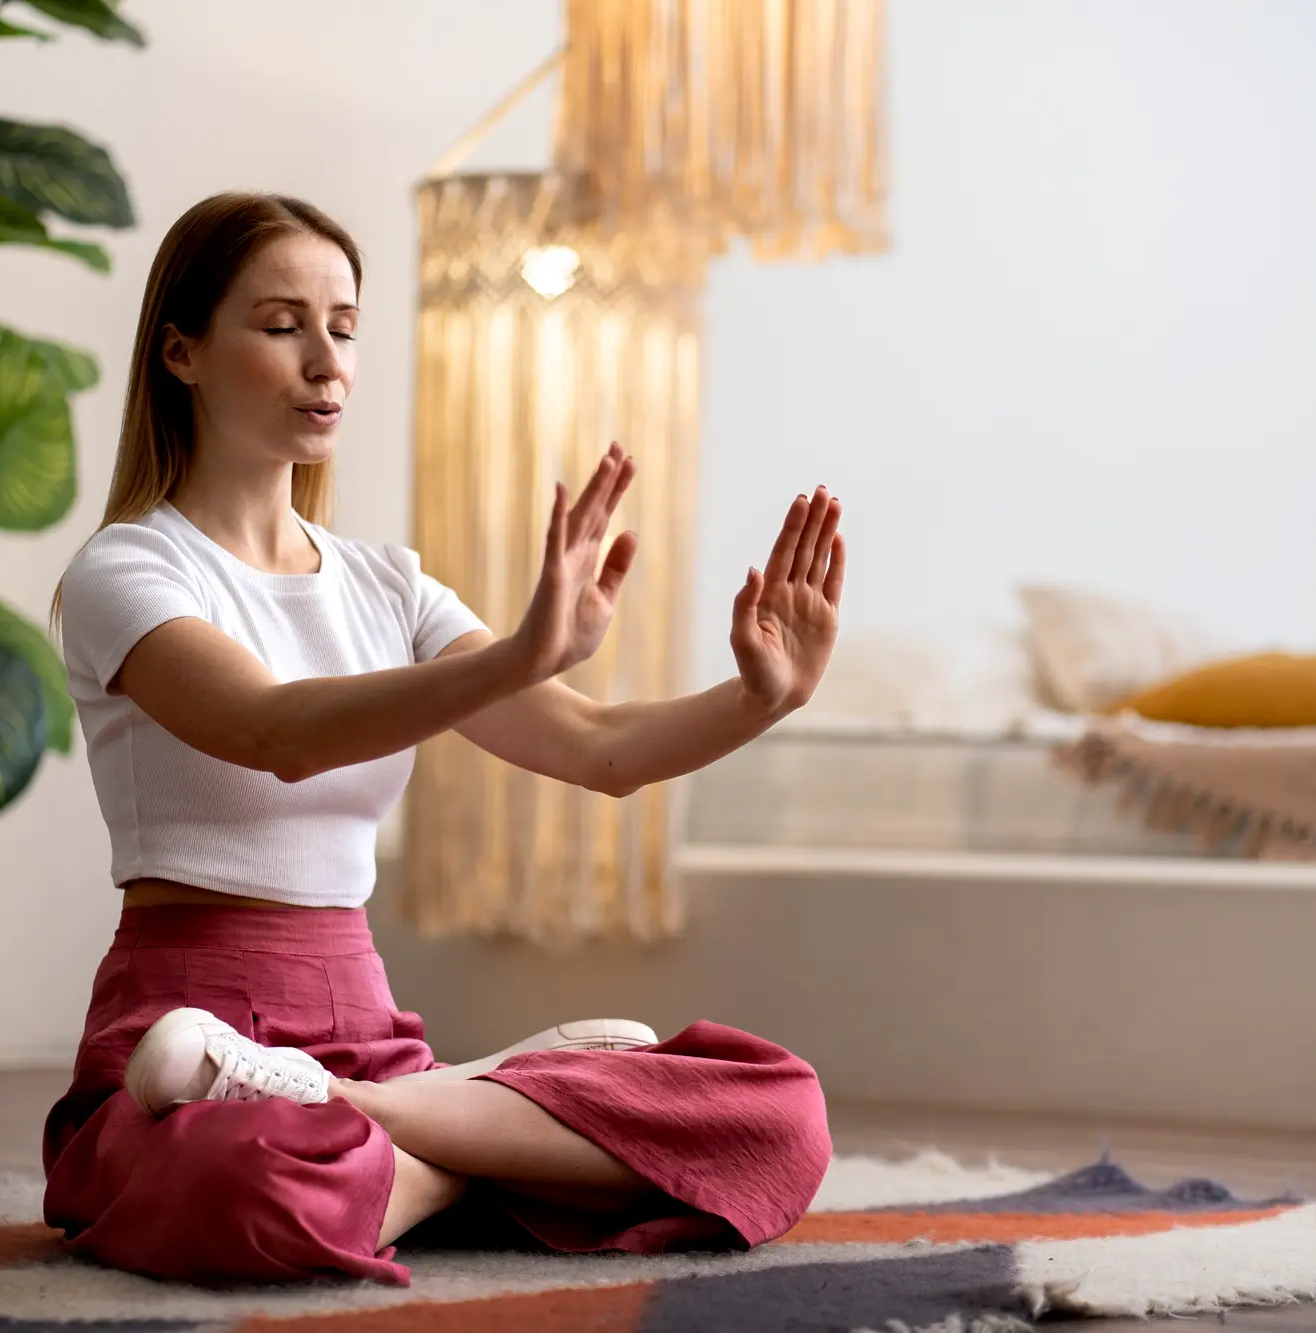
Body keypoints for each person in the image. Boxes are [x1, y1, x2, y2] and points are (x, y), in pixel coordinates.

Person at [42, 192, 848, 1286]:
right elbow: (274, 730)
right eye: (282, 326)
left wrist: (762, 698)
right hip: (181, 1035)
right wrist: (514, 653)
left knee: (778, 1119)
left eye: (344, 326)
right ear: (181, 352)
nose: (326, 360)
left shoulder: (386, 581)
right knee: (233, 1187)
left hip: (364, 1028)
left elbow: (598, 750)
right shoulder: (128, 570)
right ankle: (483, 1115)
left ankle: (376, 1109)